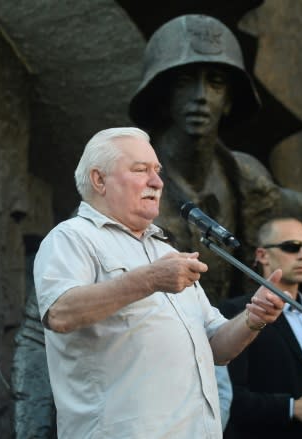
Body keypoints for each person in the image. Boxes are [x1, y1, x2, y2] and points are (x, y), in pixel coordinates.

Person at [33, 126, 286, 438]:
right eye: (141, 170)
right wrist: (150, 279)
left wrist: (252, 318)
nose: (157, 182)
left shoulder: (166, 251)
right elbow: (60, 312)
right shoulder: (72, 237)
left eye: (157, 171)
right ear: (99, 180)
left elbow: (217, 347)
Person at [128, 14, 302, 305]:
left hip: (236, 339)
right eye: (184, 82)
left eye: (215, 83)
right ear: (163, 95)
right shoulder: (126, 181)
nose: (201, 97)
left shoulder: (249, 179)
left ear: (230, 99)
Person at [218, 216, 302, 439]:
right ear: (262, 255)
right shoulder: (236, 312)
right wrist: (290, 407)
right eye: (291, 247)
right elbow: (226, 395)